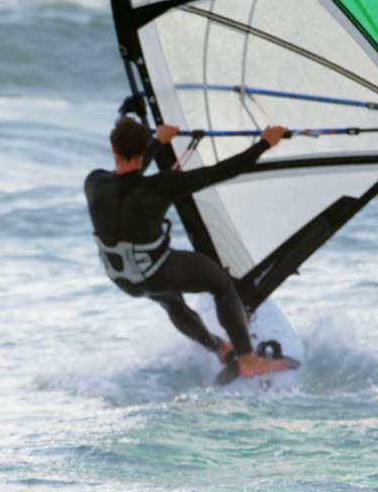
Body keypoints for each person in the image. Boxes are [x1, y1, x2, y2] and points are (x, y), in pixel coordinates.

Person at [84, 117, 289, 378]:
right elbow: (224, 170)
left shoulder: (94, 183)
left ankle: (220, 349)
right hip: (157, 271)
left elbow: (125, 179)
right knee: (221, 284)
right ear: (140, 149)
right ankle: (248, 359)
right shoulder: (161, 186)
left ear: (113, 148)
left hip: (123, 279)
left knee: (171, 302)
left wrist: (157, 143)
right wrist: (264, 144)